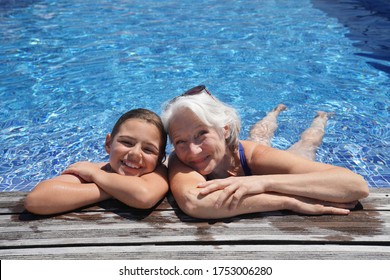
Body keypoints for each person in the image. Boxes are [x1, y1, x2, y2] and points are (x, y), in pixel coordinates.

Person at [161, 85, 369, 219]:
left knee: (306, 145)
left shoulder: (255, 156)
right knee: (260, 133)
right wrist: (288, 201)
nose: (193, 150)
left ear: (224, 129)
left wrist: (263, 182)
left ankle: (320, 118)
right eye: (180, 141)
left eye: (201, 134)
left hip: (249, 160)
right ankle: (274, 112)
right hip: (242, 158)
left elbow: (356, 185)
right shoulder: (181, 159)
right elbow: (194, 202)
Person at [24, 108, 169, 215]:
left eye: (148, 150)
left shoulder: (158, 172)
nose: (135, 153)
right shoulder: (92, 169)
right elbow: (36, 200)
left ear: (160, 158)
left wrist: (97, 177)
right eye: (127, 142)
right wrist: (117, 189)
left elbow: (143, 197)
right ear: (108, 143)